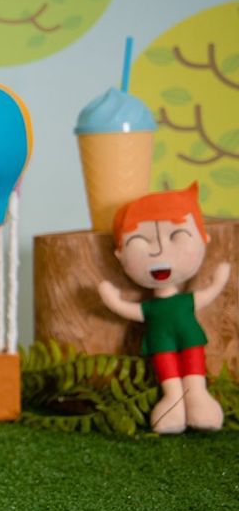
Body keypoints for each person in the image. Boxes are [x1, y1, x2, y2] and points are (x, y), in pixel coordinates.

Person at [97, 183, 230, 433]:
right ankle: (173, 401)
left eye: (176, 236)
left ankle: (198, 398)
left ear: (204, 240)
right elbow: (131, 310)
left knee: (194, 366)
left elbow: (206, 295)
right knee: (167, 371)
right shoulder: (152, 308)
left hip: (188, 338)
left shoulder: (184, 301)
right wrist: (112, 300)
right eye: (139, 241)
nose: (159, 250)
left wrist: (218, 281)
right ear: (119, 254)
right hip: (160, 342)